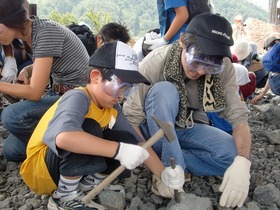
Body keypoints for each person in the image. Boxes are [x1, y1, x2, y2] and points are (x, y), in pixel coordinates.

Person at [20, 41, 185, 209]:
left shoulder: (113, 109)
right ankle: (63, 197)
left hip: (63, 168)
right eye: (119, 86)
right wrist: (119, 150)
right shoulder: (78, 97)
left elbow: (139, 143)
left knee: (126, 138)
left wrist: (163, 174)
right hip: (41, 170)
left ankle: (85, 187)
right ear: (95, 76)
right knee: (89, 127)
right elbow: (64, 138)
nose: (121, 96)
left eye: (128, 89)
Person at [123, 13, 252, 208]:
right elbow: (130, 121)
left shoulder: (225, 69)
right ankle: (169, 168)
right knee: (164, 91)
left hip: (187, 126)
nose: (200, 71)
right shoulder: (156, 62)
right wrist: (159, 171)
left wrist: (243, 162)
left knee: (233, 155)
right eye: (197, 59)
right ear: (182, 42)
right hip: (153, 129)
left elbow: (239, 117)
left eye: (210, 65)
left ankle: (173, 159)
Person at [0, 0, 89, 162]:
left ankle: (73, 146)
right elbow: (46, 60)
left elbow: (35, 93)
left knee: (11, 116)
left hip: (80, 97)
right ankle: (63, 142)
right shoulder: (28, 35)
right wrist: (27, 70)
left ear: (11, 19)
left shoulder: (46, 32)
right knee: (10, 150)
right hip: (60, 94)